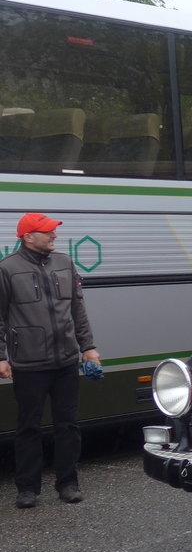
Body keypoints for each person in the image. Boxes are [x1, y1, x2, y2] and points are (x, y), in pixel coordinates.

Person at [0, 213, 101, 508]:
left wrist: (89, 348)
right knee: (29, 427)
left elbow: (78, 310)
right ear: (28, 237)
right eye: (47, 233)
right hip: (29, 363)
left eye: (54, 232)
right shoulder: (7, 269)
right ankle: (27, 489)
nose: (54, 236)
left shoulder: (65, 264)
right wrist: (2, 357)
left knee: (68, 425)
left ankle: (68, 484)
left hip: (66, 361)